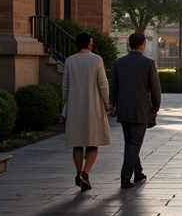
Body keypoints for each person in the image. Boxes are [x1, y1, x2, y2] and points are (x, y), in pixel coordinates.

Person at [109, 32, 162, 189]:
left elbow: (114, 86)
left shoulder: (119, 63)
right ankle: (126, 176)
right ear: (142, 44)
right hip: (141, 109)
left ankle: (137, 172)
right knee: (134, 142)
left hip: (124, 108)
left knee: (130, 141)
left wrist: (113, 104)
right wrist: (156, 105)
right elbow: (155, 88)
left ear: (129, 44)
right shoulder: (148, 63)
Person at [61, 31, 111, 192]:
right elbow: (103, 84)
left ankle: (78, 171)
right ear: (90, 43)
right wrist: (108, 103)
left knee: (77, 143)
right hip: (93, 105)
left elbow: (65, 86)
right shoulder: (96, 59)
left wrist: (65, 102)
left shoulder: (69, 60)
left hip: (75, 106)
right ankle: (86, 171)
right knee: (93, 142)